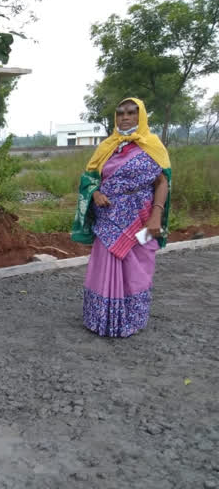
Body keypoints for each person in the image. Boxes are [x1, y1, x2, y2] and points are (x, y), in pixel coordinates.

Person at [71, 97, 171, 337]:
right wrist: (94, 193)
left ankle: (131, 319)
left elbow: (162, 182)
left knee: (138, 266)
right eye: (120, 113)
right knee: (105, 266)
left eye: (131, 112)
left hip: (142, 218)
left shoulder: (153, 146)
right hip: (108, 218)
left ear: (142, 116)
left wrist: (156, 215)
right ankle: (101, 318)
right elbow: (89, 180)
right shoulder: (107, 147)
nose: (125, 117)